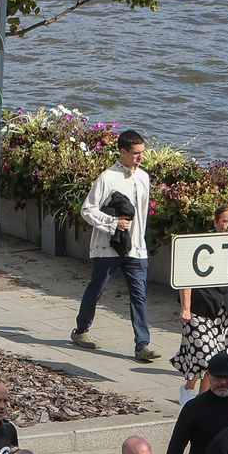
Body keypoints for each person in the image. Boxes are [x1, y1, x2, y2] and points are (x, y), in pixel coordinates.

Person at [72, 129, 155, 360]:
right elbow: (87, 210)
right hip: (107, 247)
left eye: (142, 153)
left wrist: (139, 240)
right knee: (96, 288)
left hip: (136, 247)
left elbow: (143, 216)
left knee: (139, 294)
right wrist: (112, 223)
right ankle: (81, 330)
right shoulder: (107, 178)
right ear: (123, 151)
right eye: (136, 153)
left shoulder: (144, 177)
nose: (140, 158)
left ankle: (142, 345)